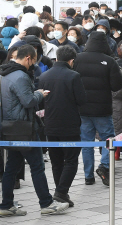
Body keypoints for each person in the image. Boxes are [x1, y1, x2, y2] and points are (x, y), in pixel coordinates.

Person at [0, 45, 69, 217]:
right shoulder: (20, 76)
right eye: (34, 59)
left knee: (11, 168)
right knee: (37, 166)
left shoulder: (4, 74)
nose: (34, 63)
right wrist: (39, 94)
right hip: (24, 128)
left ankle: (6, 205)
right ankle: (46, 203)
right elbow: (28, 101)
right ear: (28, 57)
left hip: (10, 127)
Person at [73, 31, 122, 186]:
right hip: (102, 109)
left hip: (82, 109)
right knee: (109, 139)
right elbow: (117, 86)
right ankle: (104, 166)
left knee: (86, 142)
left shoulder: (77, 59)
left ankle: (88, 176)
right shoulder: (109, 61)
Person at [38, 46, 86, 207]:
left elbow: (41, 100)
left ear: (57, 58)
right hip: (69, 124)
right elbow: (81, 100)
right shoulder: (74, 76)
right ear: (71, 61)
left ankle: (61, 192)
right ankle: (61, 191)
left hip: (50, 123)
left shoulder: (44, 75)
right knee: (71, 159)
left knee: (56, 160)